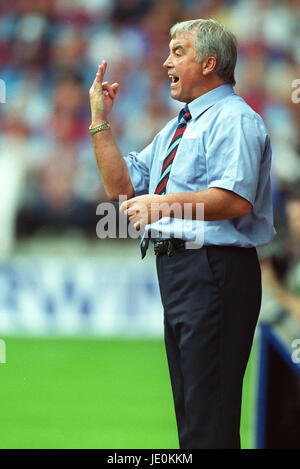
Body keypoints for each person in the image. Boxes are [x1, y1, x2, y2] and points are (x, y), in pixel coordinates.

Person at [88, 19, 275, 449]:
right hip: (182, 270)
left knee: (208, 419)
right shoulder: (180, 125)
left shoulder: (235, 119)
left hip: (216, 269)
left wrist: (163, 205)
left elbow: (235, 200)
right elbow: (121, 190)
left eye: (178, 51)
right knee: (193, 415)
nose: (165, 60)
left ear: (209, 63)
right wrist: (100, 121)